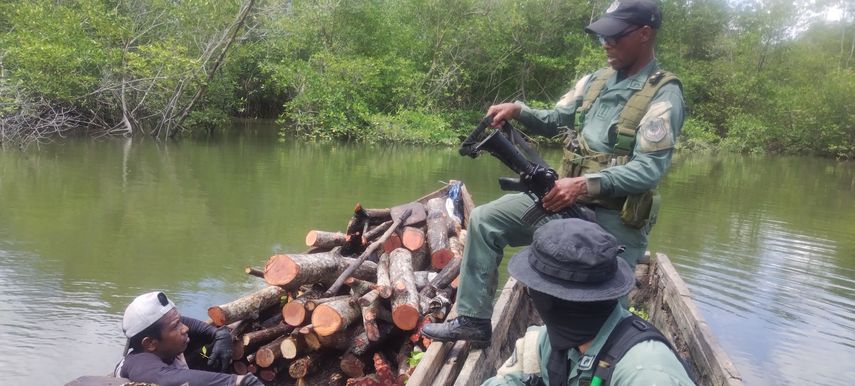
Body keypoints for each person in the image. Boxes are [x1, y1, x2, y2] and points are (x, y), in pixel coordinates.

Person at [422, 0, 684, 345]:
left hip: (612, 217)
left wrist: (583, 185)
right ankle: (473, 320)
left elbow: (648, 170)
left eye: (615, 37)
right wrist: (519, 110)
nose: (606, 44)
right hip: (561, 199)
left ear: (645, 34)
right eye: (603, 37)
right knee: (485, 221)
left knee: (606, 305)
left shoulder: (663, 94)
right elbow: (556, 118)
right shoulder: (595, 81)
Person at [482, 218, 695, 386]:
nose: (530, 293)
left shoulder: (648, 374)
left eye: (533, 288)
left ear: (551, 300)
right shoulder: (546, 343)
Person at [115, 291, 264, 386]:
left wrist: (221, 335)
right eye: (175, 326)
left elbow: (197, 326)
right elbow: (165, 378)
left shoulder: (165, 337)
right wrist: (237, 382)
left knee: (208, 343)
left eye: (180, 321)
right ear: (150, 343)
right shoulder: (138, 362)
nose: (184, 328)